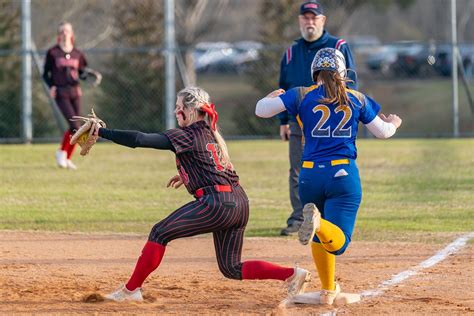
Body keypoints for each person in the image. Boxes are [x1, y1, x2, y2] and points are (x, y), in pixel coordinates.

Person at [88, 86, 310, 302]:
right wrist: (187, 175)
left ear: (191, 111)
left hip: (218, 204)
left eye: (179, 107)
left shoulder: (188, 134)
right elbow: (212, 166)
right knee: (231, 268)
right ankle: (292, 274)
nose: (176, 112)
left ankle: (130, 290)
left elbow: (140, 139)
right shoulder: (210, 134)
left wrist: (102, 132)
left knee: (159, 233)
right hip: (239, 203)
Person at [255, 47, 402, 304]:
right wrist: (395, 123)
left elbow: (261, 110)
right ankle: (319, 223)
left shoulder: (301, 94)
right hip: (342, 174)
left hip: (310, 175)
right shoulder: (356, 97)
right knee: (338, 242)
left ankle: (327, 290)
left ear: (315, 71)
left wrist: (269, 97)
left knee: (318, 235)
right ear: (343, 71)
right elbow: (384, 132)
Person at [278, 0, 357, 236]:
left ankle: (329, 216)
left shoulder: (338, 46)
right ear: (300, 20)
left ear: (323, 20)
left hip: (332, 118)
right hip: (298, 119)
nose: (309, 21)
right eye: (305, 17)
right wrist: (283, 120)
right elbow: (283, 86)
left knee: (335, 165)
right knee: (297, 167)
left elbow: (351, 83)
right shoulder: (292, 51)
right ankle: (299, 219)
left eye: (314, 17)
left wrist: (351, 115)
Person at [43, 22, 89, 170]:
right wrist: (52, 86)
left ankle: (66, 157)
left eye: (67, 30)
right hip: (61, 92)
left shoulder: (78, 53)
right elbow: (46, 74)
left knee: (78, 127)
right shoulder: (53, 52)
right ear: (59, 35)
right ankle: (62, 152)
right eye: (62, 31)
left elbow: (82, 72)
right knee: (74, 125)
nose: (65, 33)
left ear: (71, 34)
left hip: (75, 92)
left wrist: (88, 75)